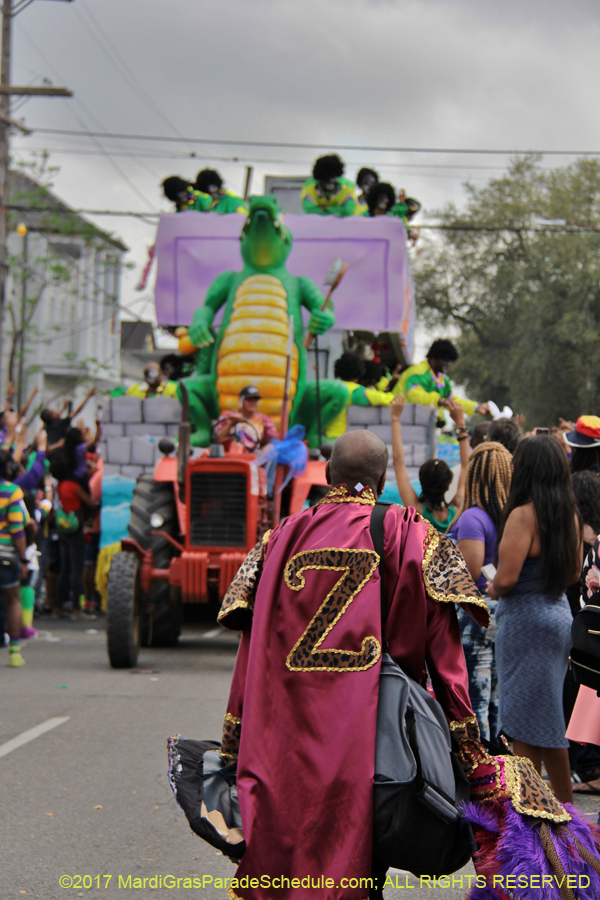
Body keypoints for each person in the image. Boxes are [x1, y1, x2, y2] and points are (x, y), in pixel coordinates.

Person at [202, 428, 488, 900]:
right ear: (380, 481)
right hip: (367, 736)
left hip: (282, 741)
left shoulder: (279, 538)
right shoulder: (408, 530)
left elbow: (250, 652)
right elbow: (445, 655)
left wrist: (234, 744)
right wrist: (469, 749)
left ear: (330, 472)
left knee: (282, 864)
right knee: (353, 861)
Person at [489, 436, 582, 803]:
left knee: (524, 722)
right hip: (559, 615)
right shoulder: (569, 513)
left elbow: (507, 578)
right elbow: (574, 573)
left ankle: (530, 815)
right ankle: (567, 812)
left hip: (525, 621)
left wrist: (491, 585)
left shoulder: (522, 514)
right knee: (546, 717)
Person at [451, 441, 513, 741]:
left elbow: (469, 572)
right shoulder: (514, 516)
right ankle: (504, 767)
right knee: (497, 699)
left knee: (476, 698)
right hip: (505, 612)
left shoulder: (473, 519)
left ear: (474, 475)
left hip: (478, 614)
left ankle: (484, 773)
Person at [391, 393, 470, 533]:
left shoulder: (416, 510)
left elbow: (398, 461)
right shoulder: (457, 511)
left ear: (421, 481)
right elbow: (466, 466)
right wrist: (461, 424)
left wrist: (395, 419)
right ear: (448, 485)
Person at [50, 454, 99, 617]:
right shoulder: (73, 485)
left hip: (63, 527)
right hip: (76, 527)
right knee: (77, 569)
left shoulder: (60, 485)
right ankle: (77, 608)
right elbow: (90, 502)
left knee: (64, 568)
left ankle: (58, 605)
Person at [392, 339, 489, 418]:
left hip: (419, 421)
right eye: (445, 360)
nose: (449, 364)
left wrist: (476, 408)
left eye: (450, 361)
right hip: (399, 417)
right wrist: (440, 400)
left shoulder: (443, 379)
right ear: (433, 358)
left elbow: (451, 400)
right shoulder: (417, 372)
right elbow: (414, 396)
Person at [323, 352, 395, 441]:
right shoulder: (355, 391)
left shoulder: (330, 386)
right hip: (339, 439)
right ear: (359, 372)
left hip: (322, 436)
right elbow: (386, 399)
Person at [0, 450, 29, 666]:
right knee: (13, 601)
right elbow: (17, 528)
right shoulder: (12, 492)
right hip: (6, 554)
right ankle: (14, 652)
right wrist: (24, 558)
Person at [214, 386, 278, 450]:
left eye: (255, 400)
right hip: (229, 453)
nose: (252, 403)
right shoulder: (228, 416)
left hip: (254, 455)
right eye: (249, 400)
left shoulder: (265, 420)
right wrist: (231, 423)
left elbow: (273, 441)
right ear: (241, 401)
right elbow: (217, 439)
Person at [41, 387, 97, 452]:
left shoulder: (48, 426)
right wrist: (88, 397)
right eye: (54, 412)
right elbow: (76, 411)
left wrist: (64, 408)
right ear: (52, 417)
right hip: (60, 452)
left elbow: (56, 417)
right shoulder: (60, 424)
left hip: (52, 451)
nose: (57, 412)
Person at [112, 362, 179, 399]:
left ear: (161, 373)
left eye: (153, 373)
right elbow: (115, 393)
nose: (149, 377)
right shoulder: (138, 389)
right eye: (146, 374)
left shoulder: (175, 387)